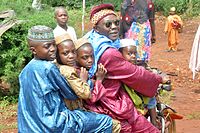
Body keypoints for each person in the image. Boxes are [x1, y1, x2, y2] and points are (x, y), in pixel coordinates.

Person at [84, 3, 169, 132]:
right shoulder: (108, 52)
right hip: (110, 100)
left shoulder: (93, 41)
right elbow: (134, 74)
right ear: (96, 28)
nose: (114, 27)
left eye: (116, 23)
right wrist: (158, 78)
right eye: (108, 24)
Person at [17, 25, 113, 132]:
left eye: (53, 45)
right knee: (106, 121)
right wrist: (85, 81)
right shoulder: (48, 68)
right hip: (54, 123)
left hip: (28, 126)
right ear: (33, 50)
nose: (53, 49)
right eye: (47, 46)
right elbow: (71, 94)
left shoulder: (24, 71)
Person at [55, 34, 121, 132]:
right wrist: (97, 80)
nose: (90, 60)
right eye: (85, 57)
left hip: (78, 110)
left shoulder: (79, 70)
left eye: (73, 52)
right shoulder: (70, 71)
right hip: (74, 113)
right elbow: (88, 96)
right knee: (114, 123)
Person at [119, 39, 159, 128]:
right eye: (129, 54)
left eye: (134, 53)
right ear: (120, 55)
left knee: (150, 96)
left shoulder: (138, 68)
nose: (133, 56)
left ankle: (154, 121)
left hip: (137, 97)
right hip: (128, 99)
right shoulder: (120, 69)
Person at [119, 0, 156, 66]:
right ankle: (142, 68)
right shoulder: (149, 3)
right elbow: (151, 20)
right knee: (142, 53)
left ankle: (131, 68)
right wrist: (153, 35)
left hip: (129, 29)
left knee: (129, 52)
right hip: (144, 30)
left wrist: (120, 34)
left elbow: (122, 20)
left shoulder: (126, 3)